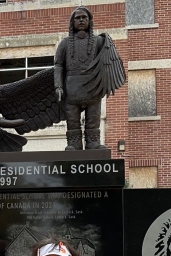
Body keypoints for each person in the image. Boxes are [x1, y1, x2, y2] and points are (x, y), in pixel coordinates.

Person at [53, 6, 125, 150]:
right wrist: (58, 86)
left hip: (93, 89)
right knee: (72, 121)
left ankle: (93, 144)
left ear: (89, 21)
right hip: (72, 90)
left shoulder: (99, 42)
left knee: (93, 120)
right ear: (72, 22)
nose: (81, 20)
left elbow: (108, 61)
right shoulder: (64, 44)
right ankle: (74, 144)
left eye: (84, 18)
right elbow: (58, 66)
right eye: (77, 18)